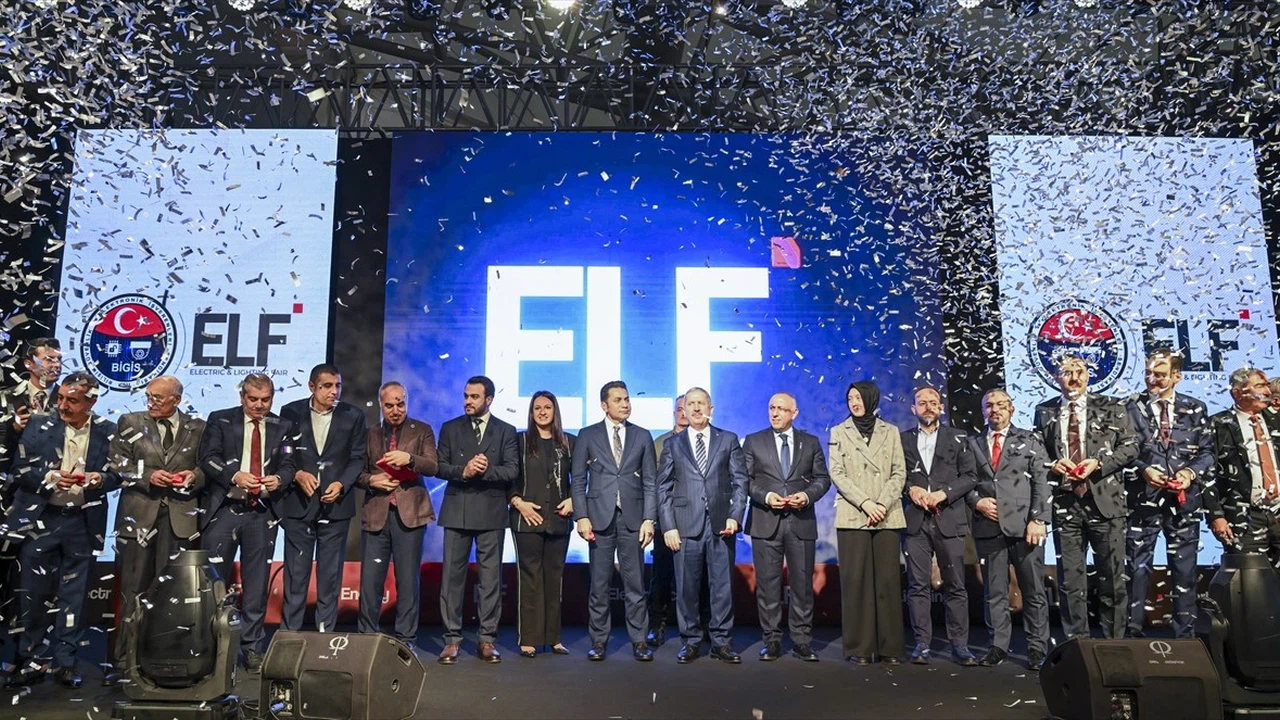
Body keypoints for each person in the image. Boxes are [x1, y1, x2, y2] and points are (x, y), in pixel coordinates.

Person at [6, 372, 119, 688]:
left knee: (75, 597)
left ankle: (66, 662)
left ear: (91, 402)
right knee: (33, 593)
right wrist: (50, 477)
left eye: (73, 400)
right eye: (61, 398)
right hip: (41, 520)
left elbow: (118, 474)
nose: (63, 406)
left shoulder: (109, 431)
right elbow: (19, 470)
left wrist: (99, 479)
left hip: (82, 522)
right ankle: (32, 660)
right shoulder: (38, 425)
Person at [105, 375, 207, 685]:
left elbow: (207, 468)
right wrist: (148, 475)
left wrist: (193, 476)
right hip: (138, 518)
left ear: (177, 399)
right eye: (149, 396)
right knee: (133, 591)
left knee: (171, 594)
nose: (151, 402)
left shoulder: (198, 427)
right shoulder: (130, 421)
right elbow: (116, 464)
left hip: (179, 519)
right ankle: (123, 661)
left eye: (158, 398)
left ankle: (164, 659)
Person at [1033, 353, 1137, 640]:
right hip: (1066, 502)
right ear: (1056, 377)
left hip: (1106, 503)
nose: (1074, 378)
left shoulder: (1112, 406)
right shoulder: (1044, 410)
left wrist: (1099, 464)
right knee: (1070, 580)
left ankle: (1114, 643)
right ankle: (1076, 643)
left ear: (1089, 375)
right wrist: (1053, 464)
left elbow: (1131, 447)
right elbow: (1037, 452)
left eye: (1079, 372)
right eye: (1067, 372)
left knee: (1112, 578)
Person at [199, 373, 295, 671]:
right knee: (213, 582)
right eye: (253, 399)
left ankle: (252, 647)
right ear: (242, 397)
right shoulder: (220, 419)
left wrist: (280, 479)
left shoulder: (283, 426)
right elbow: (207, 458)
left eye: (265, 400)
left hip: (262, 512)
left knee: (256, 584)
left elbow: (290, 463)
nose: (259, 405)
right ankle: (209, 647)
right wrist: (234, 475)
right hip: (225, 509)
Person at [1124, 350, 1213, 638]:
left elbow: (1208, 453)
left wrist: (1189, 474)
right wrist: (1143, 469)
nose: (1152, 379)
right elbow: (1122, 451)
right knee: (1137, 568)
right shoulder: (1128, 406)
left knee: (1185, 570)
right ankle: (1133, 631)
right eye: (1148, 373)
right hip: (1142, 499)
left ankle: (1185, 635)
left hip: (1183, 501)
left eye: (1160, 374)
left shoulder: (1195, 408)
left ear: (1177, 376)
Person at [657, 387, 747, 665]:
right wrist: (668, 526)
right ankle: (691, 641)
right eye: (690, 404)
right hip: (685, 526)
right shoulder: (673, 444)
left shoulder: (728, 439)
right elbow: (663, 488)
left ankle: (722, 642)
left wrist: (735, 516)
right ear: (683, 410)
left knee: (722, 587)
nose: (696, 408)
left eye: (701, 403)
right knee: (686, 588)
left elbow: (740, 482)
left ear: (711, 408)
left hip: (721, 525)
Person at [278, 363, 369, 634]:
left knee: (330, 578)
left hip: (336, 507)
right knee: (296, 576)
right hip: (299, 505)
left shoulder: (353, 415)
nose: (334, 391)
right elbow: (284, 452)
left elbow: (357, 458)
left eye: (337, 385)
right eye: (327, 386)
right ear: (312, 387)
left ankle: (323, 636)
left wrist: (341, 483)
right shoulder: (290, 412)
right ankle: (289, 637)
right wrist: (297, 474)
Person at [571, 380, 657, 662]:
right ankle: (599, 641)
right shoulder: (587, 435)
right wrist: (582, 516)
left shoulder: (642, 435)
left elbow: (650, 482)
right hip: (599, 518)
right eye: (618, 400)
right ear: (604, 405)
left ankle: (640, 641)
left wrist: (649, 519)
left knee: (635, 585)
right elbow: (578, 480)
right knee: (599, 585)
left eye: (627, 399)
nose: (625, 404)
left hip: (633, 519)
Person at [435, 375, 519, 664]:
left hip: (491, 512)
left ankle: (487, 639)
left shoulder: (506, 431)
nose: (467, 401)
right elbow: (439, 467)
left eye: (474, 397)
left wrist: (485, 470)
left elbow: (512, 470)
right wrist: (464, 470)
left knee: (490, 580)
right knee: (452, 579)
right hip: (457, 510)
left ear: (489, 399)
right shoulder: (450, 428)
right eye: (466, 396)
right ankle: (451, 640)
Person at [967, 389, 1051, 671]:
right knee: (994, 592)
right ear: (983, 411)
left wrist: (1038, 519)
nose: (995, 410)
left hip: (1025, 527)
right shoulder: (971, 443)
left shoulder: (1030, 439)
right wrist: (977, 502)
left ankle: (1037, 649)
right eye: (989, 405)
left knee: (1033, 591)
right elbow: (964, 481)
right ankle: (998, 647)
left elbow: (1042, 481)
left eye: (1001, 405)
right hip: (988, 525)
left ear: (1011, 409)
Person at [743, 392, 831, 662]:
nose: (775, 413)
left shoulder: (810, 442)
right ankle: (771, 641)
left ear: (794, 413)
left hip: (800, 522)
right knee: (768, 585)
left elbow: (823, 479)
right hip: (765, 521)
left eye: (781, 408)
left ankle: (802, 641)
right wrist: (767, 496)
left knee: (802, 585)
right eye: (772, 407)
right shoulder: (754, 441)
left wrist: (806, 496)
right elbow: (744, 479)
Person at [828, 381, 907, 665]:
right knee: (856, 583)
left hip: (887, 514)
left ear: (871, 399)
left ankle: (890, 648)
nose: (854, 402)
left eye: (859, 397)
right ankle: (860, 649)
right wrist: (866, 503)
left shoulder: (891, 431)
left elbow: (899, 472)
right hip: (854, 515)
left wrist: (881, 504)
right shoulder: (839, 431)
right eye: (850, 398)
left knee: (888, 582)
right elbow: (837, 473)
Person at [900, 386, 978, 666]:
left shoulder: (959, 437)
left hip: (949, 518)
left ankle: (960, 646)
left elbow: (970, 476)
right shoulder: (902, 440)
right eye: (922, 403)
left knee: (955, 585)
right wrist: (910, 489)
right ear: (914, 409)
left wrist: (944, 494)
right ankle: (922, 644)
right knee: (917, 586)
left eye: (933, 402)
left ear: (941, 407)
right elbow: (896, 475)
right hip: (915, 521)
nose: (928, 407)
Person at [356, 381, 438, 647]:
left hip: (410, 514)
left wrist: (409, 459)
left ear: (406, 401)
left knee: (408, 581)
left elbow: (433, 466)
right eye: (389, 405)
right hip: (377, 514)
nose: (395, 410)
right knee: (370, 582)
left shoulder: (422, 430)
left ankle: (406, 639)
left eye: (400, 404)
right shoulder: (369, 433)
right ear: (381, 404)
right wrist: (372, 481)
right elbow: (356, 473)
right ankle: (367, 637)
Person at [509, 391, 575, 658]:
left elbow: (582, 478)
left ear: (555, 410)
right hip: (526, 520)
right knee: (530, 579)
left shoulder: (569, 442)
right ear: (531, 412)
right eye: (537, 408)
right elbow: (509, 478)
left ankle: (554, 638)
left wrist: (574, 500)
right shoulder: (520, 441)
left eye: (547, 407)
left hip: (559, 520)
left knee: (554, 579)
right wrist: (518, 502)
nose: (543, 412)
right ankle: (529, 639)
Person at [1206, 367, 1280, 565]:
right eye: (1260, 386)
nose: (1267, 391)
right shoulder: (1219, 424)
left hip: (1278, 512)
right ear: (1238, 393)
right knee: (1250, 580)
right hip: (1243, 519)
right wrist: (1216, 516)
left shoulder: (1276, 421)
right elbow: (1206, 475)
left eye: (1267, 385)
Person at [646, 394, 687, 647]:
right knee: (661, 576)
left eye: (688, 408)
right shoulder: (660, 443)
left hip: (696, 519)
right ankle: (656, 625)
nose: (684, 413)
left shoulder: (708, 441)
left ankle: (700, 626)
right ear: (674, 412)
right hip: (666, 519)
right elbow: (651, 483)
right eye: (679, 409)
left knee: (699, 577)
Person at [0, 337, 62, 471]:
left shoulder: (70, 400)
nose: (57, 365)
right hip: (11, 476)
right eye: (49, 359)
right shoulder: (5, 398)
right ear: (29, 364)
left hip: (55, 476)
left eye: (59, 359)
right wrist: (14, 428)